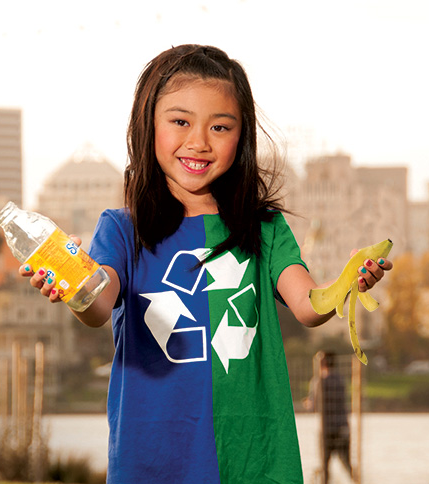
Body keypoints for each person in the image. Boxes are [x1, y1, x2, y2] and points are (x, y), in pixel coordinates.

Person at [20, 44, 392, 484]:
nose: (198, 141)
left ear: (243, 136)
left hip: (255, 459)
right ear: (148, 126)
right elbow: (98, 305)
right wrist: (73, 283)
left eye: (220, 126)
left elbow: (309, 306)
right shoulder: (121, 230)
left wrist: (349, 280)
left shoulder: (265, 229)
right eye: (180, 121)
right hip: (153, 460)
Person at [304, 351, 353, 483]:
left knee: (325, 465)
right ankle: (358, 481)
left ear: (321, 364)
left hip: (326, 429)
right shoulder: (340, 380)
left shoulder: (318, 382)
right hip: (342, 427)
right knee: (347, 464)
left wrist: (307, 403)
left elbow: (313, 406)